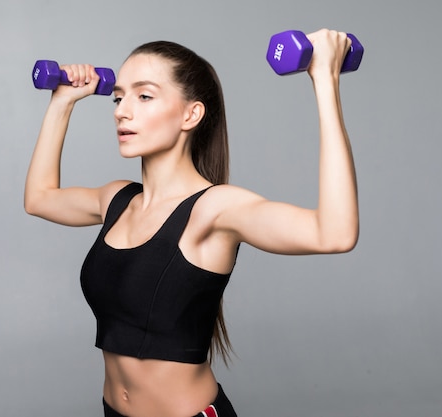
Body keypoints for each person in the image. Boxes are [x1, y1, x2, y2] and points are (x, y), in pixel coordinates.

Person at [24, 29, 359, 417]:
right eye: (119, 97)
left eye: (144, 96)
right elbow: (39, 199)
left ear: (191, 114)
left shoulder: (215, 210)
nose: (121, 110)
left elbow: (334, 233)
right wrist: (62, 102)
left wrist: (325, 82)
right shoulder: (116, 200)